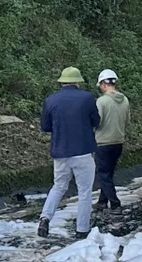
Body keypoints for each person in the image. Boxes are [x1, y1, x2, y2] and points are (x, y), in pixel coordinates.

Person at [37, 67, 99, 239]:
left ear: (62, 82)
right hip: (83, 151)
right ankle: (82, 229)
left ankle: (45, 218)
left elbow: (45, 126)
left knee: (58, 186)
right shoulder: (87, 98)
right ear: (78, 82)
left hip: (60, 152)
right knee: (84, 192)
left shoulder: (51, 100)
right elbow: (96, 120)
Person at [94, 69, 129, 212]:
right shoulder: (125, 100)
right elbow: (127, 120)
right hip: (118, 142)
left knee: (103, 174)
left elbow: (96, 122)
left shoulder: (101, 101)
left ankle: (115, 204)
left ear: (103, 83)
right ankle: (102, 202)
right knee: (108, 173)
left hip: (103, 143)